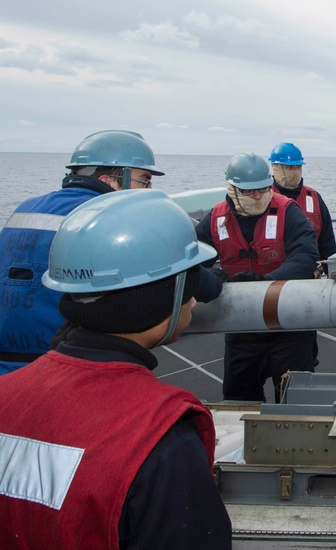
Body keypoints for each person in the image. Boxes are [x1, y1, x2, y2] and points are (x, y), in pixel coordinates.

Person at [0, 189, 232, 549]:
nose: (194, 297)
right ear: (166, 294)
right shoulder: (160, 434)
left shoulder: (6, 394)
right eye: (189, 280)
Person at [0, 130, 164, 374]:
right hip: (62, 366)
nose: (149, 188)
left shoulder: (25, 208)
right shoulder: (109, 216)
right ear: (109, 180)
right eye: (144, 179)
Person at [196, 153, 321, 402]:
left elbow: (307, 255)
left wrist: (268, 281)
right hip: (242, 325)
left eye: (263, 190)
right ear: (232, 189)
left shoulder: (288, 211)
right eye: (249, 191)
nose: (257, 196)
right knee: (238, 396)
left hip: (288, 320)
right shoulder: (215, 218)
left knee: (295, 397)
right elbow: (191, 259)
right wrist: (213, 277)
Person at [269, 142, 336, 269]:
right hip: (272, 277)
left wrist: (332, 274)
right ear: (275, 167)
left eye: (298, 167)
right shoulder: (261, 198)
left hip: (307, 275)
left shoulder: (314, 198)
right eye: (289, 167)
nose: (294, 171)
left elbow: (327, 243)